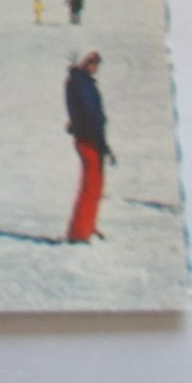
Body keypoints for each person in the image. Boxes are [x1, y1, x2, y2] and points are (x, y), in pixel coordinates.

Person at [64, 51, 114, 243]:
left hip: (91, 136)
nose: (94, 66)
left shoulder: (83, 82)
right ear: (83, 62)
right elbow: (89, 113)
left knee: (96, 183)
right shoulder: (80, 83)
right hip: (88, 137)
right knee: (91, 184)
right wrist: (97, 139)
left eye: (97, 63)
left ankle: (88, 226)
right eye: (91, 62)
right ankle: (79, 232)